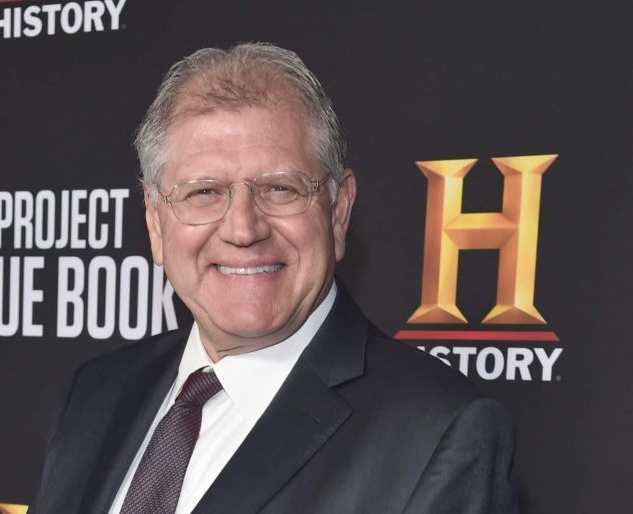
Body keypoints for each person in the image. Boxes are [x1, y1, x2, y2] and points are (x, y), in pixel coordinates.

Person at [29, 43, 517, 514]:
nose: (243, 230)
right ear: (156, 223)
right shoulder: (96, 391)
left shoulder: (438, 433)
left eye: (279, 189)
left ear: (338, 211)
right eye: (204, 192)